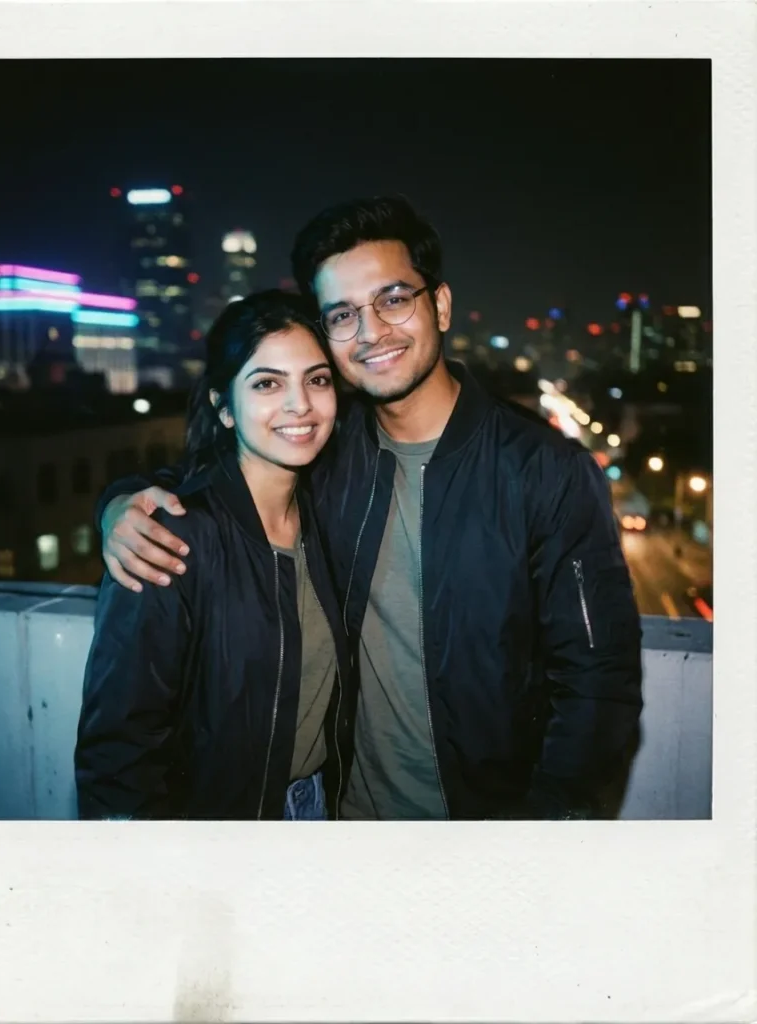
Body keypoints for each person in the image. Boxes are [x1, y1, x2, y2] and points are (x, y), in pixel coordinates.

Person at [95, 196, 643, 821]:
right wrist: (118, 506)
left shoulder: (544, 471)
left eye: (393, 299)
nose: (372, 332)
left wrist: (542, 835)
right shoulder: (331, 448)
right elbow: (220, 476)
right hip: (344, 821)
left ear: (440, 305)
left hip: (485, 831)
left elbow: (598, 684)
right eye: (343, 314)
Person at [75, 290, 352, 820]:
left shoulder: (327, 513)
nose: (300, 404)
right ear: (224, 408)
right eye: (267, 383)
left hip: (320, 805)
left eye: (317, 380)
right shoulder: (171, 540)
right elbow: (119, 753)